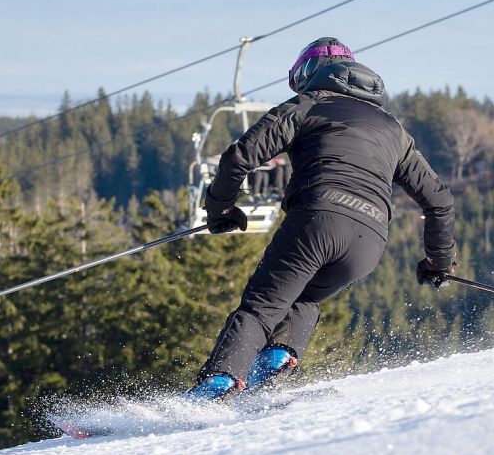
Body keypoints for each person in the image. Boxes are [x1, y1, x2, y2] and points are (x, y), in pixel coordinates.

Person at [188, 37, 456, 400]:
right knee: (304, 297)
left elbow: (239, 157)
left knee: (260, 308)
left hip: (316, 222)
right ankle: (274, 362)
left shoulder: (308, 104)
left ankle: (215, 386)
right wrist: (438, 262)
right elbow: (439, 201)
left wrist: (220, 209)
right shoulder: (394, 130)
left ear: (308, 75)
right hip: (369, 241)